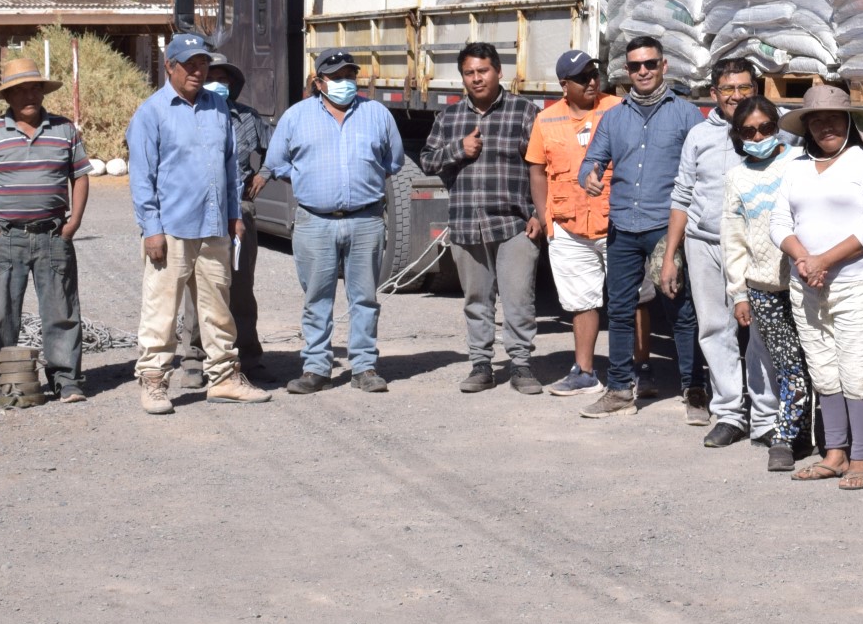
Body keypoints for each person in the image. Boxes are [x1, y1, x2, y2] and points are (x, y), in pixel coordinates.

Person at [126, 33, 267, 414]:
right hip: (170, 230)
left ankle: (223, 378)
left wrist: (234, 215)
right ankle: (154, 382)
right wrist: (151, 228)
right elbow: (142, 177)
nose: (197, 70)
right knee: (161, 310)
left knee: (218, 309)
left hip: (214, 227)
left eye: (202, 63)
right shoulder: (151, 113)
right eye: (189, 64)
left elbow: (229, 167)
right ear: (169, 67)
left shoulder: (218, 108)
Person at [253, 48, 407, 395]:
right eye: (336, 78)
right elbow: (277, 163)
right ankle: (317, 367)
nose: (345, 83)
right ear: (319, 81)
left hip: (366, 219)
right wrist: (311, 181)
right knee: (317, 298)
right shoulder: (295, 117)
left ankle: (364, 367)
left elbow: (392, 162)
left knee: (364, 298)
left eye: (350, 76)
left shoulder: (377, 114)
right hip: (314, 221)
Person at [772, 84, 863, 490]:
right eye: (815, 119)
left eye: (832, 117)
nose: (824, 125)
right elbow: (779, 223)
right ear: (806, 126)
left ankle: (862, 457)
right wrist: (805, 260)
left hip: (859, 284)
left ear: (848, 121)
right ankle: (835, 453)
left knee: (859, 371)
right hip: (808, 285)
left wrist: (825, 260)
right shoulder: (795, 166)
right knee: (824, 370)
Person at [575, 36, 705, 420]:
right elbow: (590, 162)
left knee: (680, 309)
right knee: (618, 309)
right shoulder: (614, 117)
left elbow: (700, 171)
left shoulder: (686, 115)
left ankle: (693, 389)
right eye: (635, 66)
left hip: (667, 229)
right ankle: (618, 390)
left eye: (649, 64)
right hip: (622, 227)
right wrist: (590, 178)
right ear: (626, 71)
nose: (643, 71)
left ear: (664, 66)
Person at [0, 54, 91, 405]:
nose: (30, 95)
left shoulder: (64, 129)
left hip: (53, 237)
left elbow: (80, 175)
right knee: (3, 314)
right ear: (8, 97)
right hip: (5, 238)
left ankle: (67, 381)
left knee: (62, 312)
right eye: (21, 90)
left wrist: (74, 222)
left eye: (35, 88)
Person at [419, 42, 544, 394]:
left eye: (483, 71)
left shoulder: (524, 112)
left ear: (499, 71)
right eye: (469, 73)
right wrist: (459, 149)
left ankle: (521, 365)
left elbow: (542, 166)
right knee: (476, 300)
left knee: (519, 298)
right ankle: (481, 365)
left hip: (514, 225)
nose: (477, 79)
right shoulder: (449, 118)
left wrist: (539, 213)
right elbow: (427, 160)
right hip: (466, 223)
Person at [660, 59, 764, 445]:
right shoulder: (699, 135)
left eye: (744, 87)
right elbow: (682, 195)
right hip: (703, 243)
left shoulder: (772, 132)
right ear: (715, 94)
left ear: (756, 88)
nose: (736, 96)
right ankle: (730, 413)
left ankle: (766, 414)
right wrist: (672, 255)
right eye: (728, 89)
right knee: (714, 329)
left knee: (760, 331)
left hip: (756, 247)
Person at [527, 50, 622, 396]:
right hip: (568, 225)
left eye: (594, 74)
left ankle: (642, 369)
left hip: (617, 222)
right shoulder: (546, 119)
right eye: (582, 77)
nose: (592, 81)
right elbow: (537, 168)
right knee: (582, 301)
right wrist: (544, 217)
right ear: (564, 85)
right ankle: (585, 373)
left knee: (636, 297)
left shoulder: (616, 109)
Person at [722, 95, 808, 473]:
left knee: (819, 363)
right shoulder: (736, 178)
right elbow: (733, 240)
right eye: (749, 131)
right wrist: (739, 293)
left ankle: (826, 435)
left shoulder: (798, 164)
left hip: (809, 282)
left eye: (766, 128)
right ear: (738, 136)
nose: (758, 136)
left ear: (779, 127)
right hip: (764, 289)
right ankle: (786, 438)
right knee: (788, 365)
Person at [175, 56, 268, 382]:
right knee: (199, 287)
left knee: (241, 289)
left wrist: (265, 172)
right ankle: (194, 359)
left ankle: (249, 359)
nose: (217, 84)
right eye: (210, 77)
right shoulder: (187, 116)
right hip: (198, 212)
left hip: (240, 212)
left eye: (223, 79)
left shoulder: (248, 118)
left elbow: (280, 147)